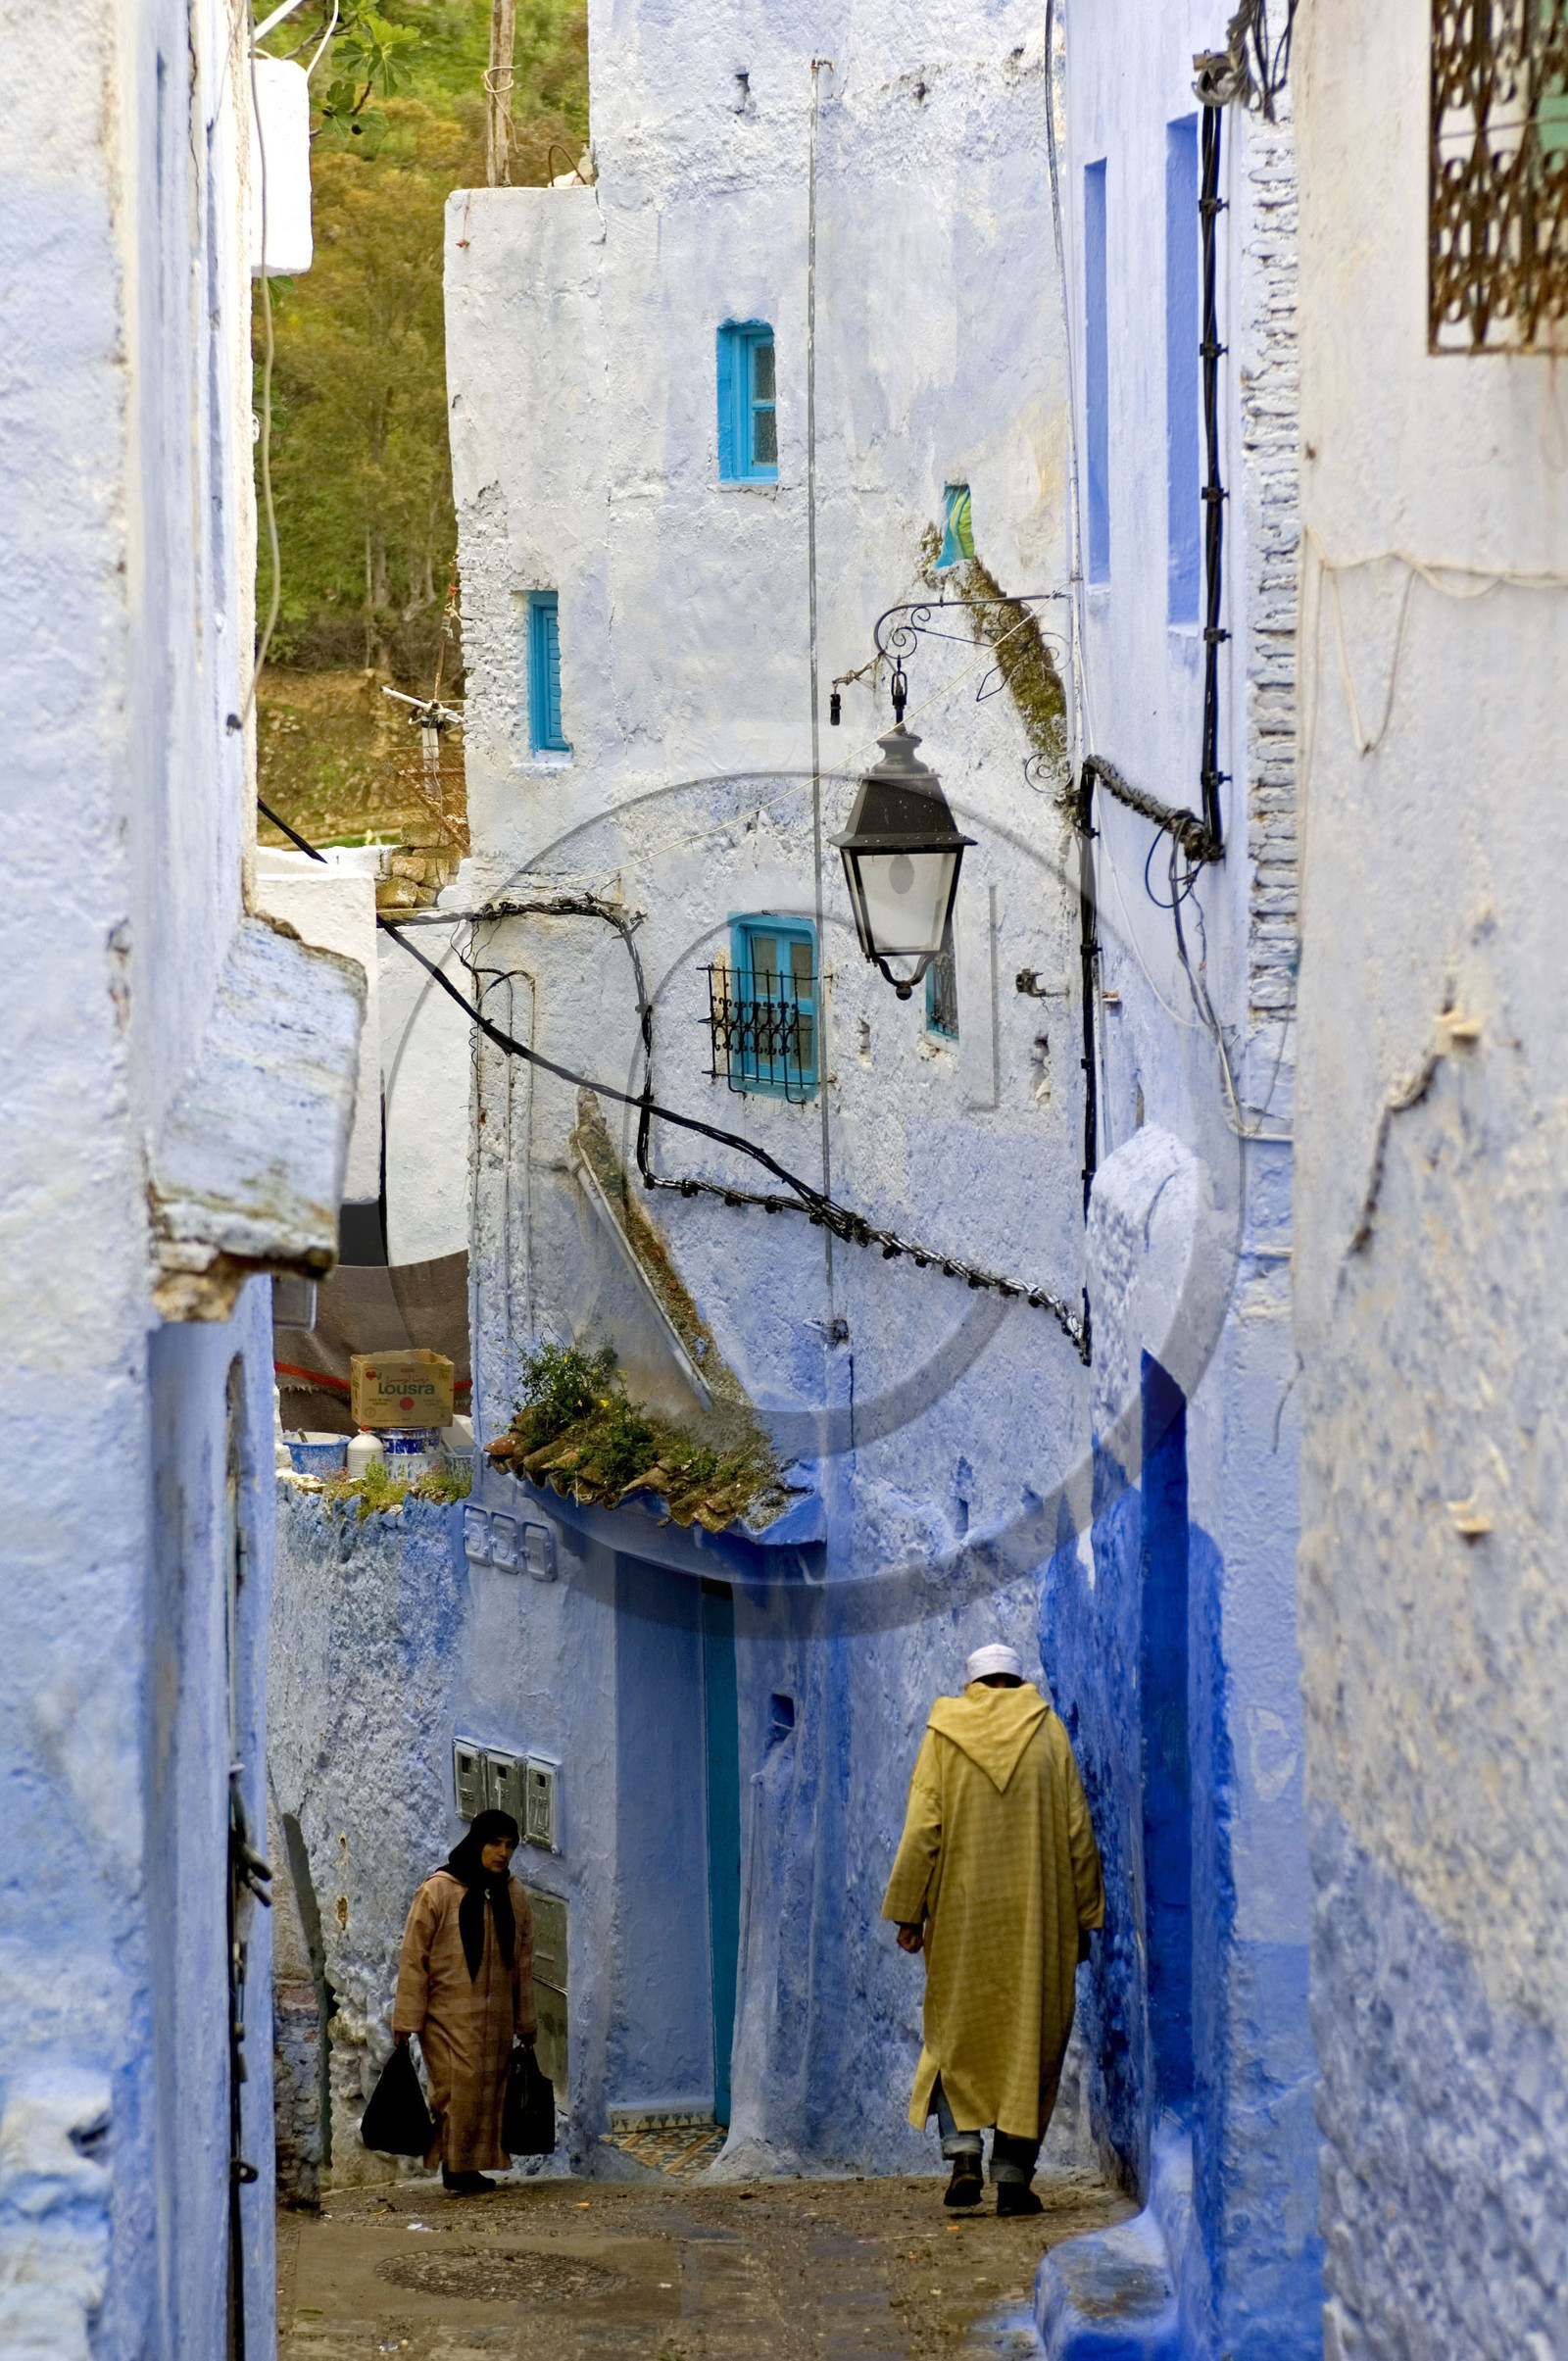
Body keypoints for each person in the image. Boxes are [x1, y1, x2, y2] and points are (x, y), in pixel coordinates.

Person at [883, 1643, 1104, 2217]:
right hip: (1037, 1920)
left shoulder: (944, 1736)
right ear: (1017, 1681)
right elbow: (1078, 1832)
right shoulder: (1049, 1735)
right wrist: (1085, 1915)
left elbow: (922, 1829)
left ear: (974, 1685)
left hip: (961, 1917)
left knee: (958, 2033)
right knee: (1028, 2037)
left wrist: (910, 1911)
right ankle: (1012, 2179)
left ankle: (962, 2157)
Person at [393, 1807, 536, 2194]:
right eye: (494, 1843)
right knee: (455, 2089)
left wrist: (526, 2021)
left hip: (496, 2017)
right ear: (477, 1843)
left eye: (509, 1846)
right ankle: (456, 2168)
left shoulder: (513, 1894)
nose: (502, 1853)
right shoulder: (438, 1891)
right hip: (445, 2015)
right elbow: (414, 1958)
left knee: (485, 2090)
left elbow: (523, 1963)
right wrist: (405, 2022)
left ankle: (465, 2168)